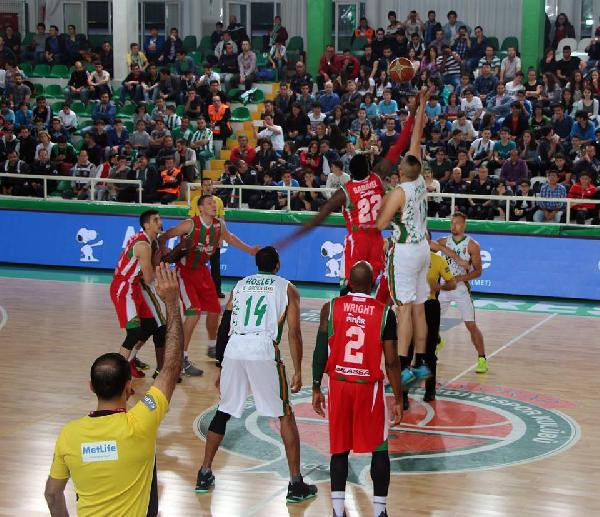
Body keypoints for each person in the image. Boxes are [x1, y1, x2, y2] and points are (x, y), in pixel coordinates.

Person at [45, 262, 182, 517]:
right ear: (129, 388)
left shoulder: (68, 435)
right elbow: (170, 369)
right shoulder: (142, 421)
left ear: (91, 387)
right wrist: (172, 304)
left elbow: (52, 495)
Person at [195, 246, 318, 503]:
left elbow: (225, 325)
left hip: (235, 348)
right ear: (277, 265)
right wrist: (298, 370)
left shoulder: (240, 285)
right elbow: (294, 332)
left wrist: (221, 365)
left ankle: (204, 472)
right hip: (262, 349)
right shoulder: (287, 288)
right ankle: (296, 483)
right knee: (284, 414)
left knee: (224, 410)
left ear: (257, 265)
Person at [312, 261, 402, 517]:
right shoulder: (385, 313)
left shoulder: (330, 308)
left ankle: (337, 511)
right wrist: (398, 397)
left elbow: (320, 350)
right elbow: (392, 361)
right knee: (379, 449)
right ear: (373, 284)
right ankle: (379, 511)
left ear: (349, 283)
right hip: (368, 388)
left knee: (339, 449)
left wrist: (316, 386)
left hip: (339, 385)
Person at [159, 195, 259, 369]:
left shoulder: (219, 225)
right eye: (209, 203)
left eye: (214, 203)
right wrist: (163, 248)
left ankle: (212, 346)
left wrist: (250, 250)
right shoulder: (190, 224)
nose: (213, 205)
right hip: (185, 273)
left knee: (214, 310)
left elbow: (230, 238)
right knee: (194, 313)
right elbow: (166, 235)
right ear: (201, 208)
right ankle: (181, 357)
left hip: (203, 271)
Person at [376, 88, 431, 387]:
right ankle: (421, 362)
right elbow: (416, 137)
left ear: (403, 171)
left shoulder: (399, 191)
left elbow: (380, 224)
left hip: (406, 252)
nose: (397, 167)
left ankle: (403, 367)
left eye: (399, 167)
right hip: (423, 248)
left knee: (404, 310)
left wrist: (383, 201)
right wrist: (421, 105)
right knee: (419, 308)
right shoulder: (420, 179)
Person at [109, 209, 167, 378]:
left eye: (160, 219)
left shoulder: (148, 240)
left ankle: (129, 363)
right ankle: (118, 375)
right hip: (124, 288)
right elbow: (149, 278)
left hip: (133, 287)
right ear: (146, 225)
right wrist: (164, 274)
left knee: (150, 326)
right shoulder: (144, 246)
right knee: (134, 333)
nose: (160, 222)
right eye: (156, 220)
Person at [437, 212, 488, 373]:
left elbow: (478, 272)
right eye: (451, 223)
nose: (453, 226)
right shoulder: (443, 241)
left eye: (457, 223)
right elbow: (428, 244)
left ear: (464, 225)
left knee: (470, 325)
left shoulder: (472, 245)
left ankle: (482, 358)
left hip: (460, 288)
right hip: (444, 287)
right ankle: (437, 342)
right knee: (430, 323)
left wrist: (459, 278)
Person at [189, 178, 226, 298]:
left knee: (215, 265)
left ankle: (217, 290)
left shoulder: (218, 201)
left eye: (209, 185)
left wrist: (221, 238)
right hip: (199, 238)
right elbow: (191, 220)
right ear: (202, 187)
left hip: (214, 238)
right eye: (205, 185)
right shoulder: (195, 201)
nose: (208, 187)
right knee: (197, 265)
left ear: (212, 186)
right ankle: (197, 290)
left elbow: (222, 221)